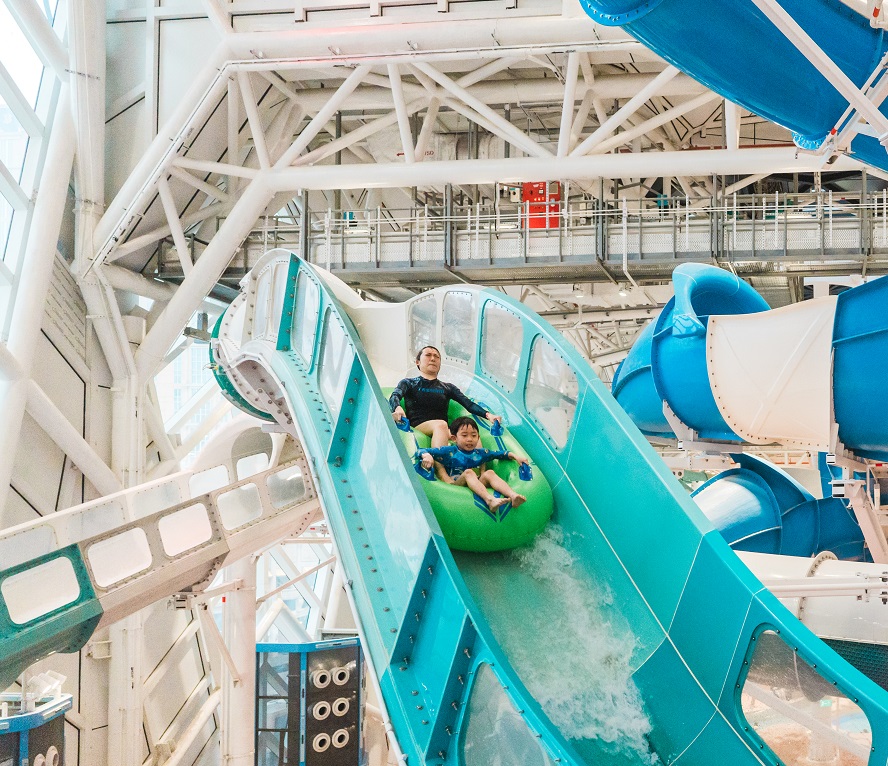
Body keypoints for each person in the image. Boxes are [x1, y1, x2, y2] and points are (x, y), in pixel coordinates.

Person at [390, 345, 501, 448]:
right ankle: (441, 468)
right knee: (441, 425)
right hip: (418, 427)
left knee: (469, 432)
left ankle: (475, 468)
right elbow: (395, 395)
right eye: (428, 355)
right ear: (418, 362)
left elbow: (468, 404)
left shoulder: (447, 387)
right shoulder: (409, 383)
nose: (433, 359)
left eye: (436, 356)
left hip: (443, 430)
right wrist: (397, 407)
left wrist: (489, 415)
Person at [418, 416, 528, 511]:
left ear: (478, 437)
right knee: (469, 473)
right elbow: (422, 450)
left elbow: (499, 454)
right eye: (464, 435)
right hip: (455, 485)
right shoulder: (449, 451)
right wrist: (426, 456)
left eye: (474, 435)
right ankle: (489, 500)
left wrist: (516, 456)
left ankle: (513, 496)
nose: (470, 439)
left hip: (476, 483)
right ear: (454, 438)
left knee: (489, 473)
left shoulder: (480, 453)